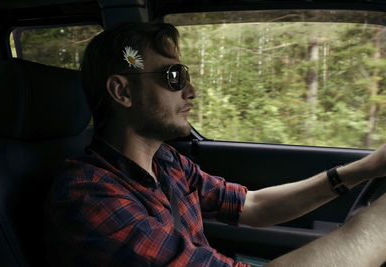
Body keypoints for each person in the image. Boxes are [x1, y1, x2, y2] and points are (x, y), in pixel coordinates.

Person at [44, 22, 386, 266]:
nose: (191, 91)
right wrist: (377, 226)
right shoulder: (88, 197)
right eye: (173, 77)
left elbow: (252, 206)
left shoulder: (166, 162)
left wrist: (366, 168)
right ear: (122, 91)